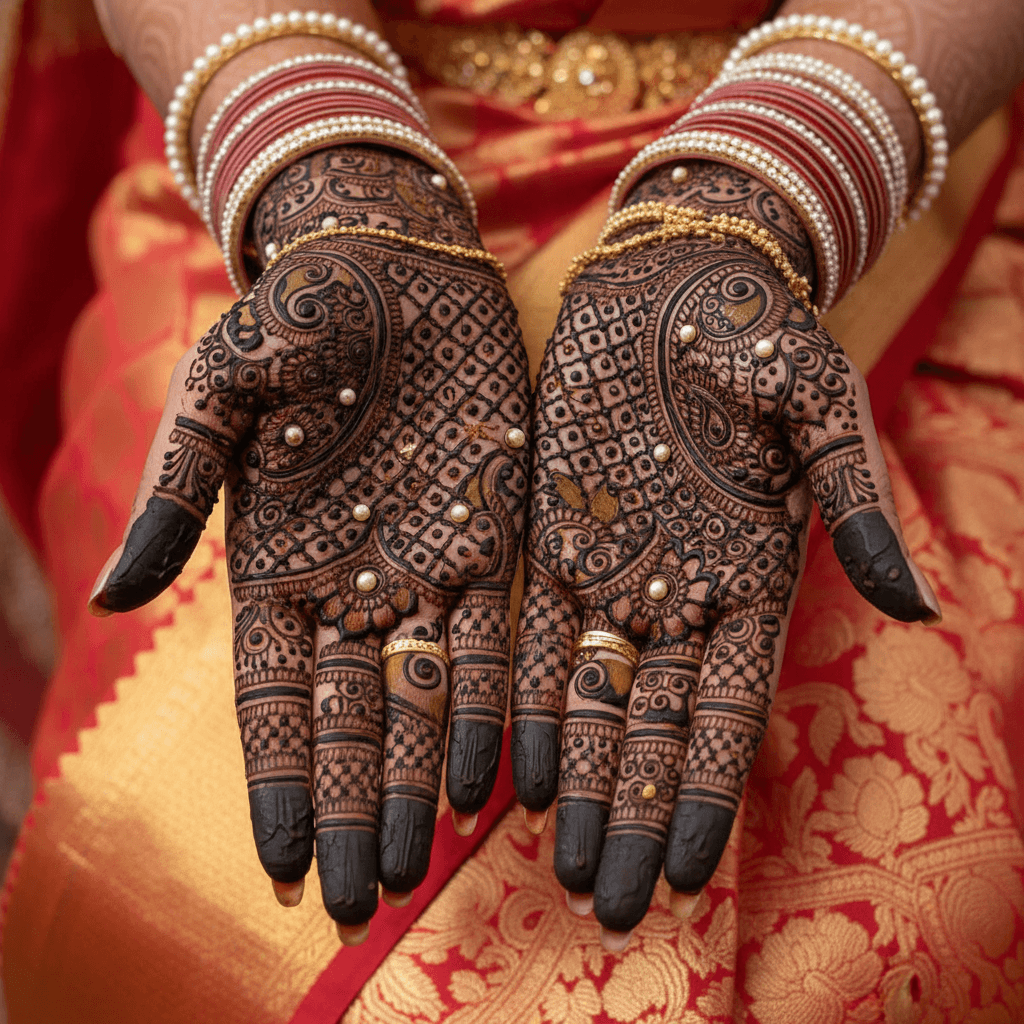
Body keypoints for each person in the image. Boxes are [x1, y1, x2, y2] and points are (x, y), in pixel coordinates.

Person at [2, 0, 1024, 1020]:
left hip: (871, 102)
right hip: (295, 98)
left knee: (916, 924)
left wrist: (773, 178)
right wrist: (328, 173)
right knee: (167, 875)